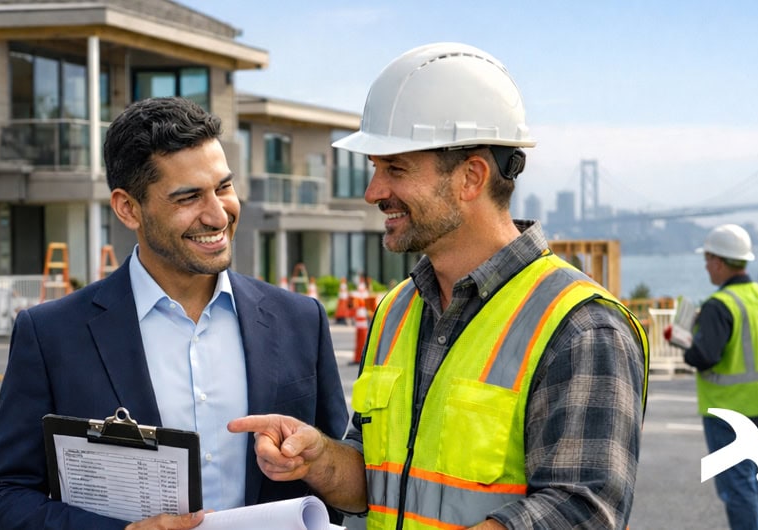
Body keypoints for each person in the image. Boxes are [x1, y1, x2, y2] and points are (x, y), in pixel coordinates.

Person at [228, 42, 649, 529]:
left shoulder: (582, 327)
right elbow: (377, 479)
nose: (372, 192)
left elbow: (581, 511)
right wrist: (318, 458)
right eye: (374, 168)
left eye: (395, 168)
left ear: (471, 177)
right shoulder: (396, 311)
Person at [0, 97, 348, 530]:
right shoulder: (51, 335)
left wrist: (320, 461)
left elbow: (349, 481)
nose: (218, 215)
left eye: (223, 187)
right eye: (188, 197)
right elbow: (1, 499)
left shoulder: (301, 320)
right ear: (128, 208)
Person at [669, 224, 758, 530]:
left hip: (728, 413)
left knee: (737, 488)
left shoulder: (719, 305)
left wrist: (684, 344)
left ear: (719, 261)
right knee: (756, 482)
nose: (706, 266)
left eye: (707, 259)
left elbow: (703, 357)